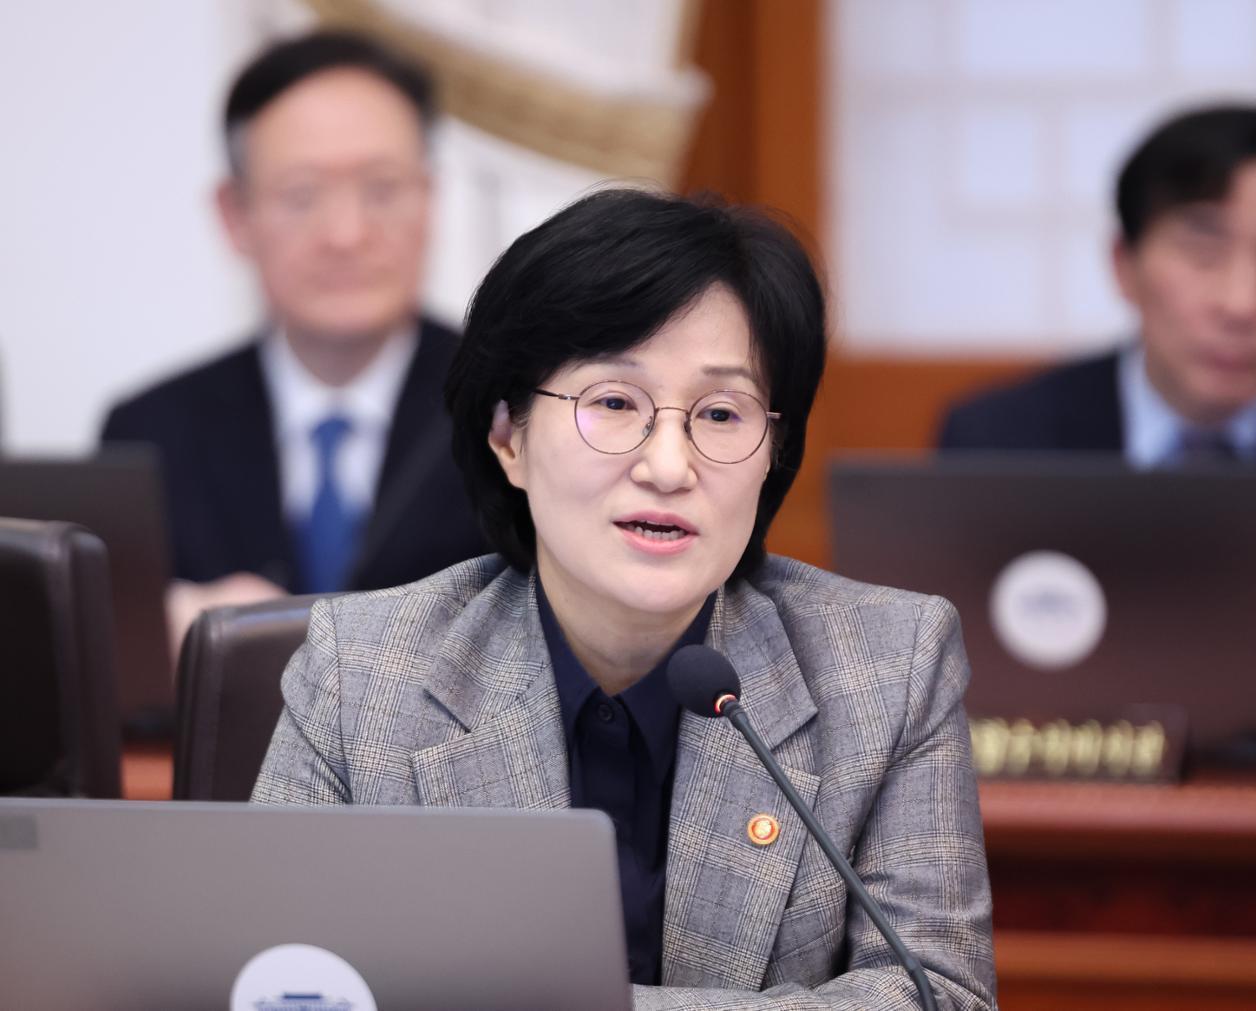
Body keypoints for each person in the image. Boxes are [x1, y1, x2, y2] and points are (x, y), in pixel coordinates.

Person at [253, 188, 997, 1009]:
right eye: (614, 403)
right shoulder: (362, 675)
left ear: (772, 454)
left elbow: (942, 994)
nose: (670, 466)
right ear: (508, 436)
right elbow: (278, 983)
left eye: (721, 413)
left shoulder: (889, 668)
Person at [939, 103, 1256, 728]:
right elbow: (963, 658)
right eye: (1203, 250)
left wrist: (1135, 678)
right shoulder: (1003, 436)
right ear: (1124, 265)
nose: (1241, 303)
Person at [101, 31, 486, 632]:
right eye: (301, 196)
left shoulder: (505, 410)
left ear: (430, 199)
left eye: (382, 188)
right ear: (234, 215)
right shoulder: (150, 434)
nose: (345, 234)